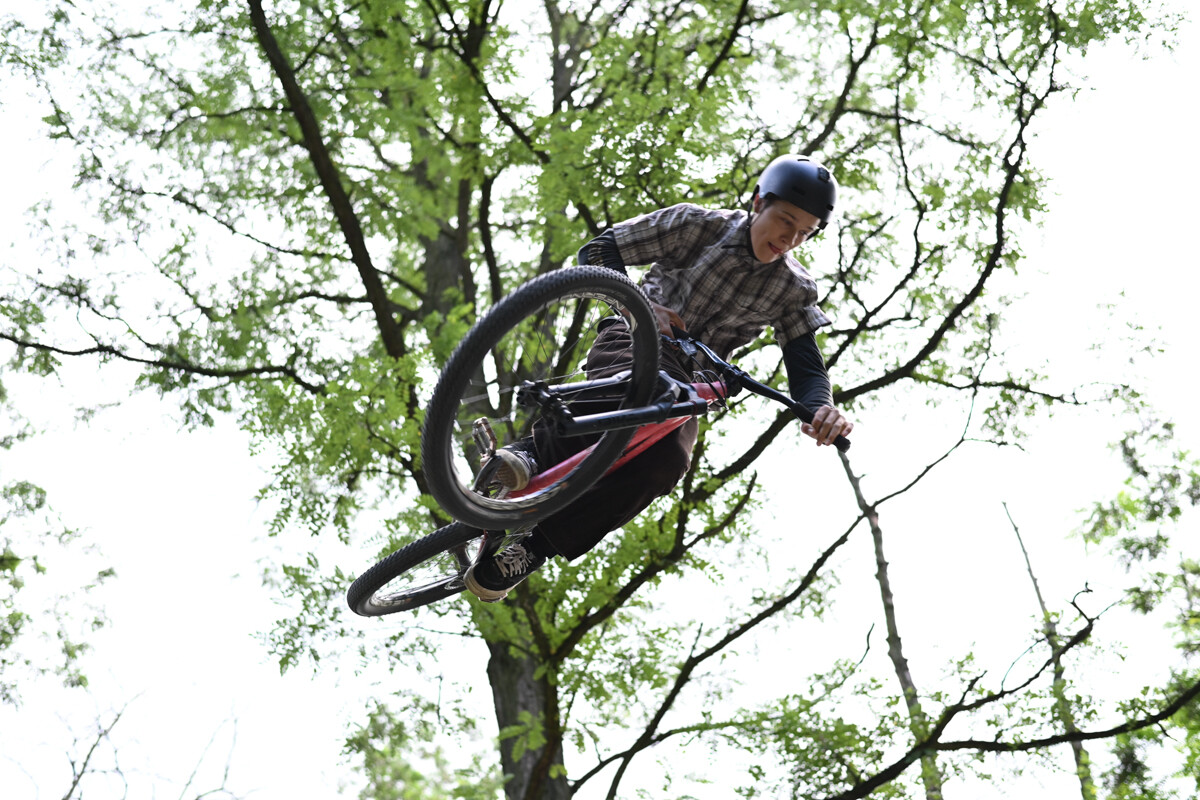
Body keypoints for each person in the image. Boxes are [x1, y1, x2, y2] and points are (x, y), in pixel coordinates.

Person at [464, 154, 854, 602]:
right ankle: (530, 454)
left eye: (805, 232)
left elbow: (804, 362)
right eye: (785, 221)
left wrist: (821, 408)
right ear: (758, 202)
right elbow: (598, 252)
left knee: (669, 461)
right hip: (634, 339)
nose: (790, 239)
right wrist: (636, 305)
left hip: (693, 387)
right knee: (641, 386)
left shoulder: (794, 288)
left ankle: (533, 549)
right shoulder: (695, 226)